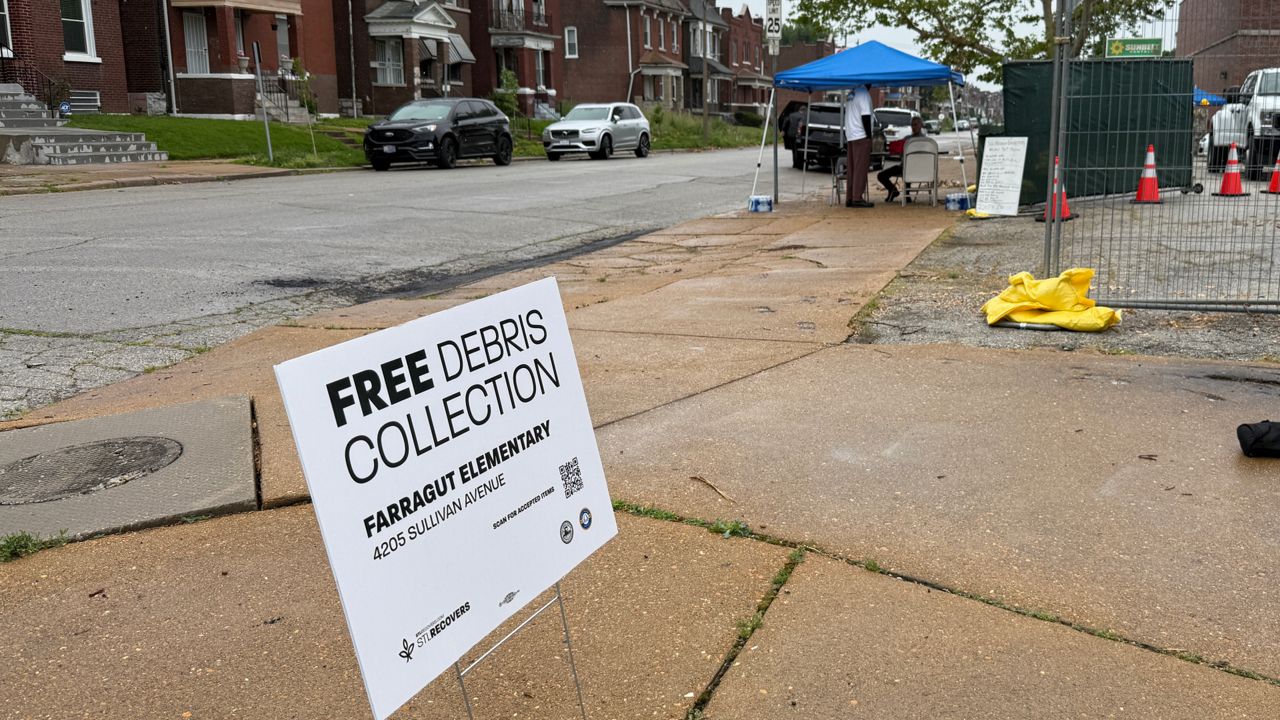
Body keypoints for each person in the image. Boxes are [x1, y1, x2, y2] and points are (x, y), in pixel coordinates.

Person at [877, 116, 925, 202]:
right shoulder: (907, 139)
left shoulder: (925, 141)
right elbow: (898, 151)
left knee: (906, 169)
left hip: (914, 167)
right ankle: (893, 190)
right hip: (907, 167)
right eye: (912, 125)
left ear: (921, 125)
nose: (913, 127)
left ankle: (906, 194)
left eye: (915, 125)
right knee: (881, 175)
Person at [843, 84, 873, 208]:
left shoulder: (851, 94)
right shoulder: (864, 94)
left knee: (852, 169)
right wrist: (869, 136)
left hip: (851, 135)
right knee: (860, 168)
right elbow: (865, 116)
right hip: (861, 135)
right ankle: (857, 198)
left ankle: (850, 197)